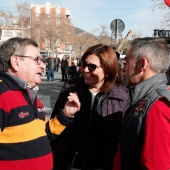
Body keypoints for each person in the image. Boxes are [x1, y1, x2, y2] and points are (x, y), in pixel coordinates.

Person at [0, 37, 81, 170]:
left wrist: (65, 115)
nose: (43, 66)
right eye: (36, 60)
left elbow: (42, 135)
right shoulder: (2, 95)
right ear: (15, 61)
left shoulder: (30, 96)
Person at [50, 44, 130, 170]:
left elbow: (124, 139)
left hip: (103, 165)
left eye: (92, 67)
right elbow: (54, 125)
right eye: (84, 64)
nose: (85, 70)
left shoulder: (122, 96)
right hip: (70, 163)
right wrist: (66, 115)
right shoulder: (70, 88)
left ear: (108, 70)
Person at [120, 37, 170, 169]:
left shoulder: (158, 107)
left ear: (142, 64)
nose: (123, 69)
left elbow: (156, 165)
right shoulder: (146, 98)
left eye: (126, 62)